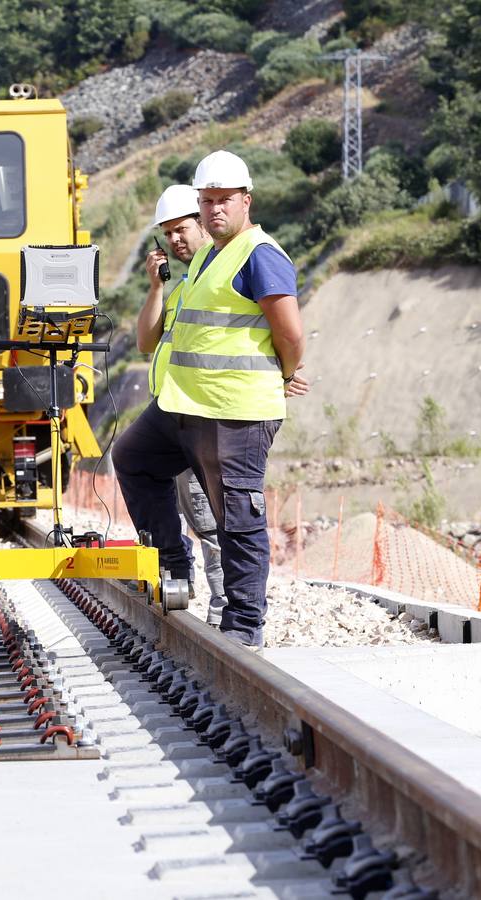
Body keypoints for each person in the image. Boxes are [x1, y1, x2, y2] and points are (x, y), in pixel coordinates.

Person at [114, 151, 309, 647]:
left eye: (224, 200)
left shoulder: (260, 255)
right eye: (207, 201)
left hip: (233, 412)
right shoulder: (206, 256)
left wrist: (279, 375)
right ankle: (173, 568)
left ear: (246, 200)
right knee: (133, 457)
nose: (214, 209)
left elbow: (290, 333)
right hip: (183, 406)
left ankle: (244, 626)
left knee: (237, 517)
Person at [137, 184, 227, 627]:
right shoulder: (185, 283)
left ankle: (224, 605)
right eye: (168, 234)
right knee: (187, 506)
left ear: (203, 223)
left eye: (182, 229)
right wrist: (156, 287)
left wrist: (287, 370)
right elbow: (144, 342)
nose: (175, 241)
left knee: (208, 517)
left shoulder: (221, 272)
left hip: (204, 414)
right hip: (173, 414)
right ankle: (186, 578)